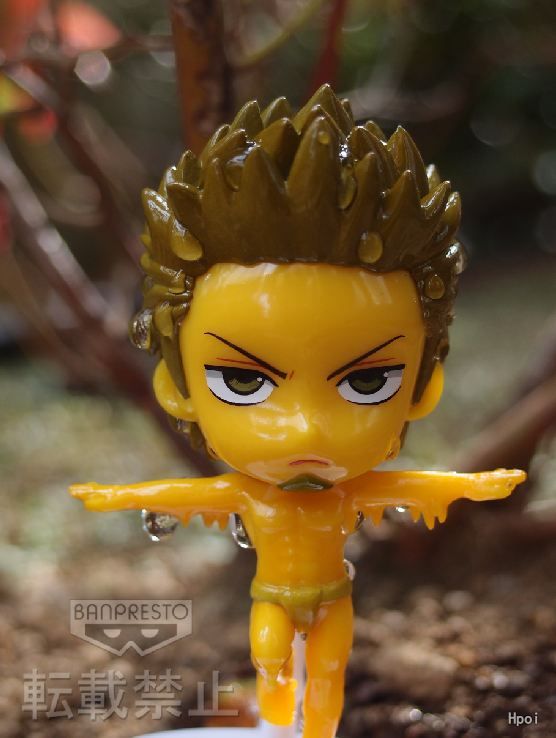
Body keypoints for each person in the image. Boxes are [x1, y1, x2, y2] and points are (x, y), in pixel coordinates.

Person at [71, 85, 525, 738]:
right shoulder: (250, 497)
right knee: (271, 664)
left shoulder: (346, 496)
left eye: (367, 381)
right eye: (242, 381)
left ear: (422, 389)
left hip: (333, 599)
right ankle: (278, 728)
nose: (305, 427)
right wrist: (114, 497)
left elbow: (416, 487)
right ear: (177, 387)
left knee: (330, 673)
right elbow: (176, 495)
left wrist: (477, 484)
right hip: (275, 601)